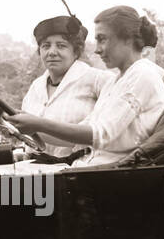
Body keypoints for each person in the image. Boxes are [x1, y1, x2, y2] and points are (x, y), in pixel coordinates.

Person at [9, 5, 164, 167]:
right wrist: (27, 127)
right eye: (45, 46)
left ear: (127, 39)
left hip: (104, 175)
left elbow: (100, 135)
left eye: (102, 39)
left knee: (6, 183)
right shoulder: (117, 81)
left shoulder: (142, 75)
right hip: (84, 168)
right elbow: (81, 133)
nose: (97, 50)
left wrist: (38, 123)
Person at [20, 9, 116, 162]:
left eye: (61, 45)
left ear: (76, 51)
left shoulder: (99, 80)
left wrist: (34, 127)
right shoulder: (36, 87)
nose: (52, 52)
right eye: (46, 46)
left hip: (79, 168)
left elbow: (98, 134)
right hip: (32, 166)